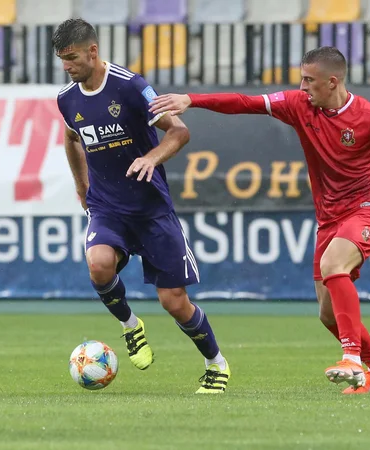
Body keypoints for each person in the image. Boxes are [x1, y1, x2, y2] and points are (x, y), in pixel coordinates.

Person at [149, 46, 370, 394]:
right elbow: (244, 102)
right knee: (328, 314)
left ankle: (352, 359)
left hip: (368, 210)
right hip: (329, 219)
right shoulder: (299, 105)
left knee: (334, 265)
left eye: (308, 80)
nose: (301, 86)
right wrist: (190, 99)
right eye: (301, 78)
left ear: (332, 82)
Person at [53, 18, 230, 394]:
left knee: (174, 302)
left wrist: (152, 158)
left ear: (93, 51)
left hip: (151, 210)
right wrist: (81, 185)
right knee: (98, 264)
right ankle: (131, 326)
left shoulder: (130, 86)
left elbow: (179, 131)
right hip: (107, 206)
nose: (67, 67)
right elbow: (71, 138)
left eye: (72, 58)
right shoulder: (66, 100)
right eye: (62, 60)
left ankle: (216, 363)